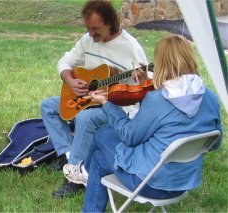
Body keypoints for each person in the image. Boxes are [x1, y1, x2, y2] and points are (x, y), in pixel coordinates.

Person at [79, 34, 223, 212]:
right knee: (99, 159)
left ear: (161, 63)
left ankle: (82, 170)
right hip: (184, 182)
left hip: (150, 183)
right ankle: (85, 180)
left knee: (103, 132)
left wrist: (106, 104)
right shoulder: (210, 97)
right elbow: (215, 143)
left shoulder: (157, 100)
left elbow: (129, 136)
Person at [40, 0, 148, 197]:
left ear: (109, 23)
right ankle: (68, 156)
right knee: (48, 106)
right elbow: (65, 61)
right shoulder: (87, 40)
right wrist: (71, 81)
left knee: (84, 119)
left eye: (95, 29)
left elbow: (145, 85)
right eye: (88, 28)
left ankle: (74, 179)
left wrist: (142, 79)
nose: (91, 33)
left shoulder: (130, 47)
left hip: (116, 108)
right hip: (89, 99)